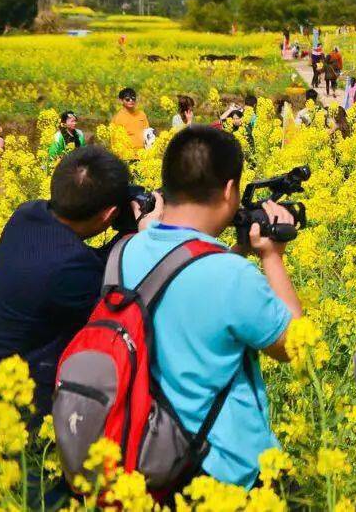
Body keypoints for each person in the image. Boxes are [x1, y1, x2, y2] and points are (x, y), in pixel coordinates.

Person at [118, 126, 302, 487]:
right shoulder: (230, 275)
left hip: (149, 456)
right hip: (226, 470)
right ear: (230, 190)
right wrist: (272, 257)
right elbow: (294, 343)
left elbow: (182, 284)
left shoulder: (125, 252)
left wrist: (238, 252)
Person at [0, 146, 156, 420]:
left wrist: (132, 232)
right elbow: (125, 299)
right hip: (15, 407)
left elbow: (85, 260)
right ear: (109, 215)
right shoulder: (69, 269)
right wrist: (146, 237)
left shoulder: (26, 214)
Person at [111, 87, 150, 153]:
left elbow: (148, 133)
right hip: (127, 156)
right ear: (121, 100)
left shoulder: (142, 114)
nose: (131, 101)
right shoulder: (118, 118)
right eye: (127, 99)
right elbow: (114, 140)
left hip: (143, 155)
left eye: (133, 98)